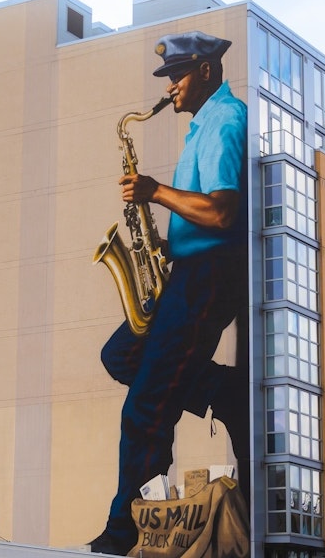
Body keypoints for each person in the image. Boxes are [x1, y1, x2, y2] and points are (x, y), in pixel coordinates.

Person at [89, 31, 249, 556]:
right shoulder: (202, 125)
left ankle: (124, 532)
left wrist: (154, 191)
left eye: (177, 76)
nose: (170, 88)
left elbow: (223, 213)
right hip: (187, 269)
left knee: (144, 410)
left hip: (210, 273)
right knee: (120, 354)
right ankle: (219, 393)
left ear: (205, 71)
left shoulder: (226, 121)